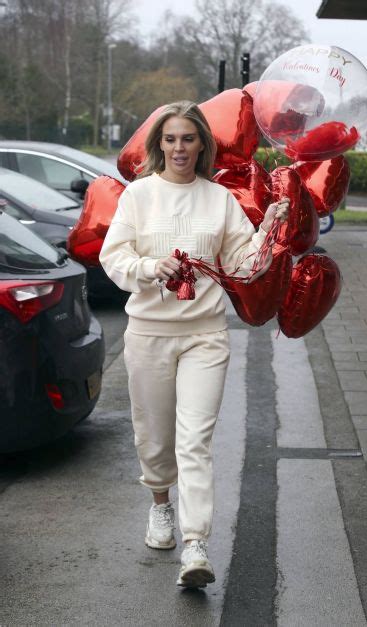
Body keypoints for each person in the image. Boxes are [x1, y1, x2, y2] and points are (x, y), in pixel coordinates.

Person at [99, 100, 288, 589]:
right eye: (170, 139)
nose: (179, 147)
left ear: (202, 143)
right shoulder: (138, 197)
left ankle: (196, 544)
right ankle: (160, 503)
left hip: (205, 336)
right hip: (149, 335)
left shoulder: (219, 199)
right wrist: (147, 268)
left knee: (195, 442)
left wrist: (269, 230)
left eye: (188, 138)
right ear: (158, 144)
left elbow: (244, 266)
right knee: (155, 438)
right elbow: (113, 256)